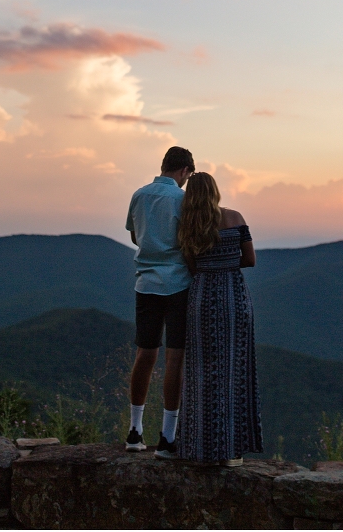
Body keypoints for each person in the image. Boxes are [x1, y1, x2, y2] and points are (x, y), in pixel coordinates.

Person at [176, 172, 263, 466]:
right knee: (235, 372)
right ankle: (232, 451)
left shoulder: (188, 227)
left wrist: (209, 264)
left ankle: (198, 448)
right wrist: (226, 262)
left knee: (199, 373)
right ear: (215, 191)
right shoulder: (235, 217)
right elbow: (250, 259)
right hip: (234, 297)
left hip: (201, 299)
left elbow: (191, 265)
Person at [124, 145, 195, 458]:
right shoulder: (181, 199)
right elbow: (187, 240)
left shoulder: (139, 194)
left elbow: (134, 236)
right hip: (178, 283)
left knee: (145, 353)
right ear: (183, 171)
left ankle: (134, 429)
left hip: (146, 283)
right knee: (175, 358)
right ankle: (168, 437)